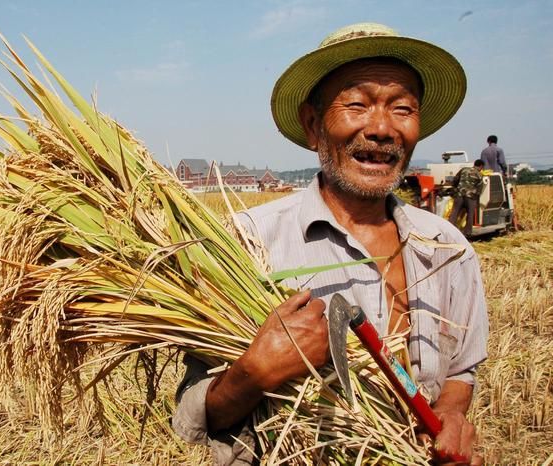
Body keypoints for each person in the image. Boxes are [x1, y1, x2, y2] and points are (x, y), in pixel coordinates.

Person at [173, 23, 488, 465]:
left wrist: (451, 414)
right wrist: (252, 374)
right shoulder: (246, 243)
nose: (381, 128)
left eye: (402, 109)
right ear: (312, 125)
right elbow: (192, 413)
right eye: (356, 104)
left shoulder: (448, 248)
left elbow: (461, 371)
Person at [449, 160, 485, 237]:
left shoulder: (464, 170)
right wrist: (475, 197)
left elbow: (455, 180)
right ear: (481, 166)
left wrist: (455, 188)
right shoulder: (479, 175)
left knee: (455, 213)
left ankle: (449, 230)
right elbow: (479, 189)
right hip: (470, 197)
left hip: (459, 194)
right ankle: (467, 233)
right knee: (470, 214)